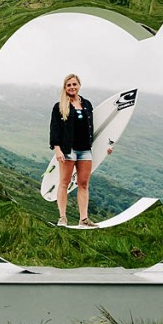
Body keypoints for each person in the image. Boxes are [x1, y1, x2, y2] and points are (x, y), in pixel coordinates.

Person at [49, 74, 112, 228]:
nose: (72, 87)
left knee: (83, 184)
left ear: (79, 85)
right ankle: (62, 218)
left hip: (85, 150)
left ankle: (83, 219)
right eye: (69, 85)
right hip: (68, 150)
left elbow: (95, 129)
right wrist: (57, 150)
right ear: (65, 87)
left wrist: (106, 147)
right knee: (64, 183)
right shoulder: (59, 106)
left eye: (74, 84)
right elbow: (54, 130)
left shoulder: (87, 104)